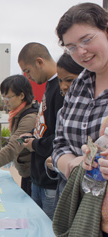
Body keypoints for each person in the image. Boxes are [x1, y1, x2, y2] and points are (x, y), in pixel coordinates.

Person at [51, 3, 108, 236]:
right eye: (72, 47)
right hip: (82, 211)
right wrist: (72, 164)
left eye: (86, 40)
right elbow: (59, 143)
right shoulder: (79, 85)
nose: (81, 52)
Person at [18, 42, 64, 220]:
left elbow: (61, 137)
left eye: (27, 71)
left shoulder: (61, 88)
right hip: (38, 176)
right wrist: (32, 137)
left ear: (39, 62)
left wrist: (35, 144)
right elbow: (47, 128)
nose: (27, 77)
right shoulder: (49, 86)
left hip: (50, 180)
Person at [45, 53, 83, 202]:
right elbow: (59, 146)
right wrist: (57, 161)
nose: (64, 86)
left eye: (70, 80)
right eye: (60, 81)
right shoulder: (64, 111)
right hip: (66, 193)